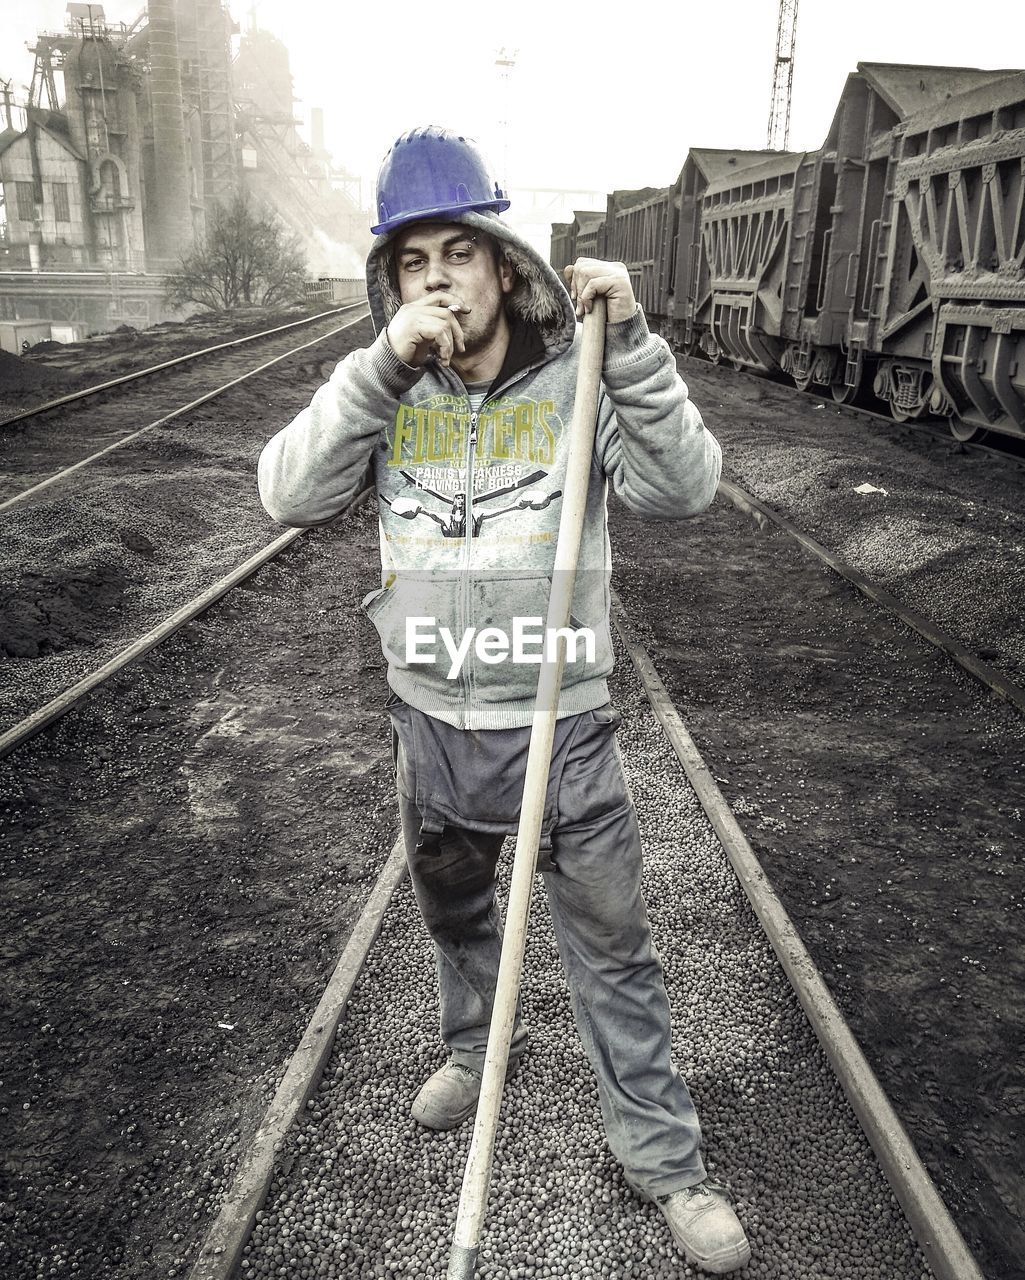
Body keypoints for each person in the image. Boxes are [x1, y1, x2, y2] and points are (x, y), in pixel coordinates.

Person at [258, 126, 751, 1276]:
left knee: (611, 948)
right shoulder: (386, 392)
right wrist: (380, 364)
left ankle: (663, 1159)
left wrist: (628, 346)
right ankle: (476, 1049)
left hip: (561, 729)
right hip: (429, 725)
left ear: (500, 264)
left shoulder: (578, 378)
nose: (435, 277)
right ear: (391, 283)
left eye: (455, 253)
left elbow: (685, 489)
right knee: (453, 919)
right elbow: (285, 491)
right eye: (410, 260)